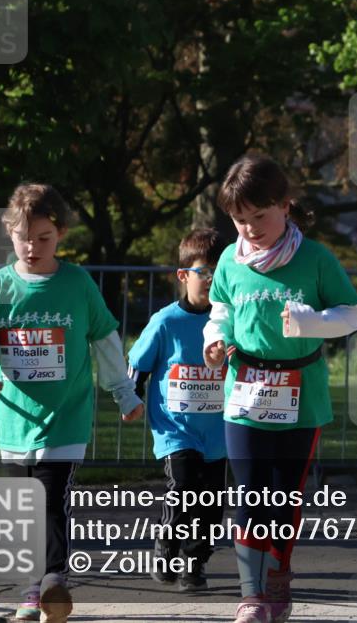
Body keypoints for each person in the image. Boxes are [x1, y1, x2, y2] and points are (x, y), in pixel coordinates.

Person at [0, 183, 144, 623]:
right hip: (14, 419)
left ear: (60, 234)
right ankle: (30, 587)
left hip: (66, 417)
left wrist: (125, 392)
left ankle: (53, 581)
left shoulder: (78, 283)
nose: (32, 246)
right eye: (23, 237)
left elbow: (106, 341)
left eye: (43, 237)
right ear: (9, 233)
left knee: (50, 498)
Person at [202, 155, 357, 623]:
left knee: (282, 497)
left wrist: (313, 321)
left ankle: (278, 581)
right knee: (250, 494)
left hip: (301, 395)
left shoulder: (315, 258)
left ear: (285, 207)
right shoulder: (231, 262)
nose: (250, 229)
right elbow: (221, 312)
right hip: (245, 392)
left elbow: (353, 313)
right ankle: (251, 595)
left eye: (260, 217)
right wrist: (215, 342)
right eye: (240, 219)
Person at [127, 228, 229, 591]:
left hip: (218, 429)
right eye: (205, 272)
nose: (212, 280)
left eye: (220, 273)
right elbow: (138, 365)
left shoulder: (227, 321)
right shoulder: (166, 321)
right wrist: (131, 398)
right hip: (175, 428)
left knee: (212, 502)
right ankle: (167, 546)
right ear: (184, 276)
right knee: (184, 487)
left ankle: (195, 563)